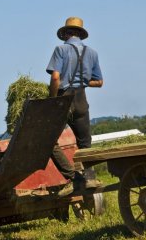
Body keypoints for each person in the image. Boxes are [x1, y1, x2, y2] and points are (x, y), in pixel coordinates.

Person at [46, 16, 103, 196]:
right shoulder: (92, 53)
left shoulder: (60, 50)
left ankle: (74, 178)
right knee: (85, 143)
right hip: (81, 99)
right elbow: (99, 82)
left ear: (67, 34)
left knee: (48, 142)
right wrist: (83, 81)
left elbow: (55, 77)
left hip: (64, 99)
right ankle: (90, 177)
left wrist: (52, 100)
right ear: (79, 34)